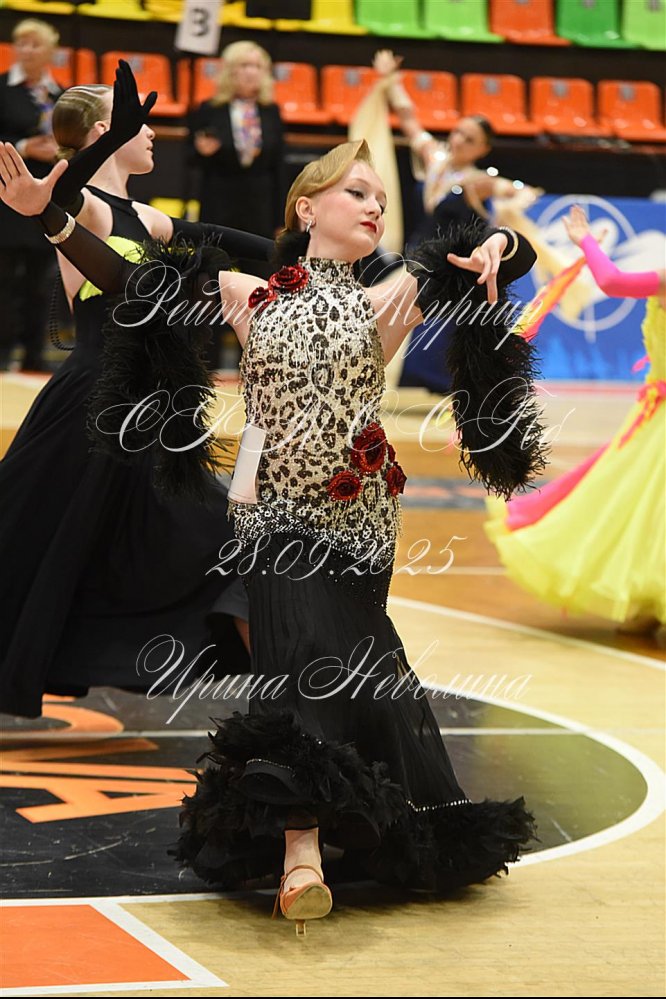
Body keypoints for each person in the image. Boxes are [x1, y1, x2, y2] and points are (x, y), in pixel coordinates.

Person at [3, 137, 545, 934]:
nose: (374, 205)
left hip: (361, 520)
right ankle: (301, 853)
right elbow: (128, 282)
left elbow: (501, 254)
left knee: (354, 672)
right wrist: (50, 219)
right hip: (273, 517)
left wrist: (499, 242)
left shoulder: (392, 294)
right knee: (296, 666)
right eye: (357, 192)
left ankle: (359, 822)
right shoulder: (244, 292)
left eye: (379, 198)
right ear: (307, 208)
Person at [0, 63, 276, 719]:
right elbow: (60, 202)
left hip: (148, 410)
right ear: (106, 131)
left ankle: (278, 703)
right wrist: (100, 145)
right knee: (28, 544)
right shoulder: (83, 204)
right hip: (92, 404)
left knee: (199, 537)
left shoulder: (144, 217)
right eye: (137, 125)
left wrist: (322, 250)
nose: (151, 133)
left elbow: (244, 245)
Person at [485, 205, 666, 641]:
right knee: (641, 507)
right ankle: (648, 601)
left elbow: (612, 281)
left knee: (640, 507)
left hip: (656, 418)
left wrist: (584, 238)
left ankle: (647, 600)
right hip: (655, 417)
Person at [371, 49, 542, 395]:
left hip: (447, 265)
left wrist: (518, 191)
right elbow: (409, 121)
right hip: (415, 255)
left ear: (482, 149)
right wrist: (390, 81)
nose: (459, 140)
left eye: (470, 139)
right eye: (458, 132)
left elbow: (514, 189)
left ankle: (447, 385)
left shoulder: (478, 180)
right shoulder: (435, 160)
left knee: (433, 328)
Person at [0, 17, 64, 372]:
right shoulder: (2, 89)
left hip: (45, 196)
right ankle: (2, 350)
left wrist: (60, 151)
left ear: (50, 50)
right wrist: (24, 147)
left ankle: (33, 352)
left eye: (35, 43)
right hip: (6, 194)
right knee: (5, 277)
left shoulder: (60, 94)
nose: (26, 50)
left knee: (41, 280)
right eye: (21, 43)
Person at [188, 40, 284, 248]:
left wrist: (280, 220)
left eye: (257, 66)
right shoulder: (210, 109)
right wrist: (202, 152)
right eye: (244, 65)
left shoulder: (272, 111)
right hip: (220, 205)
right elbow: (190, 159)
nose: (252, 72)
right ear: (230, 71)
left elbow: (278, 167)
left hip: (260, 208)